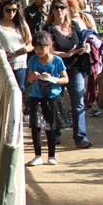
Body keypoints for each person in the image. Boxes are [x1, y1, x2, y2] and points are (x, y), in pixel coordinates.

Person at [45, 0, 93, 148]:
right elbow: (47, 51)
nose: (59, 11)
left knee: (78, 101)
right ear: (52, 11)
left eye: (62, 7)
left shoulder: (74, 26)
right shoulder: (48, 29)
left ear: (67, 10)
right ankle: (55, 133)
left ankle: (80, 137)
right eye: (56, 8)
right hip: (56, 70)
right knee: (55, 102)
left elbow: (81, 43)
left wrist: (85, 49)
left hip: (75, 68)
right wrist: (65, 55)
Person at [26, 32, 69, 166]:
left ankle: (51, 155)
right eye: (36, 48)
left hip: (52, 97)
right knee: (36, 126)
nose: (39, 51)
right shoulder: (33, 60)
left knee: (51, 126)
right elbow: (28, 79)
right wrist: (34, 76)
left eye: (42, 48)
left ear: (49, 46)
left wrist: (53, 79)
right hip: (36, 96)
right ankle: (37, 155)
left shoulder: (57, 61)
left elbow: (65, 79)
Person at [0, 0, 33, 91]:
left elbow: (30, 44)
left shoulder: (22, 24)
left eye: (14, 10)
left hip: (20, 64)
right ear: (2, 10)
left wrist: (24, 50)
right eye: (8, 10)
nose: (11, 13)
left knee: (19, 91)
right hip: (3, 65)